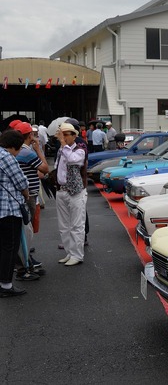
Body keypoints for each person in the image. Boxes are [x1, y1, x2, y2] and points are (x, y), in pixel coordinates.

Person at [15, 122, 49, 280]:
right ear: (29, 135)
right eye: (33, 133)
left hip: (28, 193)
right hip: (29, 194)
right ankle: (25, 263)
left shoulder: (19, 151)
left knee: (26, 229)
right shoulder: (27, 152)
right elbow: (44, 169)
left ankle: (26, 259)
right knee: (27, 229)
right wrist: (38, 150)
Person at [0, 130, 30, 297]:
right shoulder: (6, 157)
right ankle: (5, 285)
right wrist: (26, 194)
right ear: (13, 147)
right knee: (9, 248)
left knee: (2, 247)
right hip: (9, 209)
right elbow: (21, 181)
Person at [55, 123, 87, 266]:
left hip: (75, 191)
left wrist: (63, 145)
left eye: (67, 134)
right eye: (62, 134)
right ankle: (70, 252)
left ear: (74, 136)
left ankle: (77, 255)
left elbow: (74, 160)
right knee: (64, 226)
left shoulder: (79, 150)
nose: (64, 137)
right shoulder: (61, 150)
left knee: (76, 225)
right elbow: (57, 167)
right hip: (61, 190)